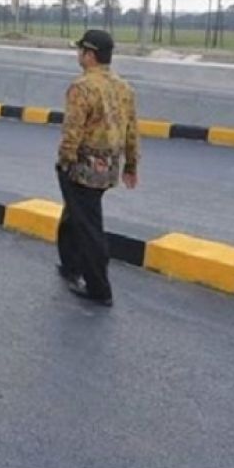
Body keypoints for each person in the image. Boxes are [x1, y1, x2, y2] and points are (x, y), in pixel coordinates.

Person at [55, 29, 139, 307]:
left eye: (80, 51)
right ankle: (70, 265)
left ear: (89, 55)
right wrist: (131, 165)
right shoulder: (124, 87)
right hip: (109, 167)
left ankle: (99, 288)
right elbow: (132, 131)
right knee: (74, 214)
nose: (78, 55)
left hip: (83, 168)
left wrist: (65, 160)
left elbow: (72, 131)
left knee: (89, 226)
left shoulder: (82, 87)